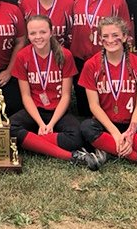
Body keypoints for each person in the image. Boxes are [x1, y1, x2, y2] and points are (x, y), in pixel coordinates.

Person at [10, 15, 102, 170]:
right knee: (6, 129)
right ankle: (71, 156)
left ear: (51, 32)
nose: (38, 37)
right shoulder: (22, 56)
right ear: (28, 34)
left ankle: (33, 141)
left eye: (42, 32)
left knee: (77, 136)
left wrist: (51, 124)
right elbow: (25, 96)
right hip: (35, 111)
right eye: (33, 33)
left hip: (58, 111)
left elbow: (66, 95)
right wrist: (40, 123)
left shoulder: (64, 55)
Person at [79, 17, 137, 168]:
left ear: (124, 36)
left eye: (115, 35)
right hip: (105, 125)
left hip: (131, 123)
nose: (111, 40)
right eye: (105, 36)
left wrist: (131, 132)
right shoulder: (91, 65)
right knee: (85, 128)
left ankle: (107, 148)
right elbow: (94, 106)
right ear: (100, 39)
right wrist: (115, 134)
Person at [70, 0, 130, 117]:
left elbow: (125, 28)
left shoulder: (117, 0)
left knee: (105, 96)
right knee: (83, 100)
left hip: (105, 56)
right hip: (79, 56)